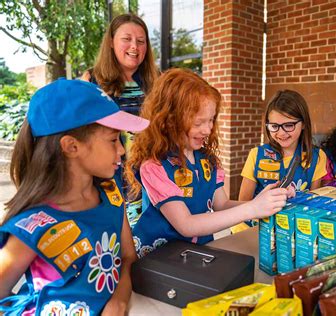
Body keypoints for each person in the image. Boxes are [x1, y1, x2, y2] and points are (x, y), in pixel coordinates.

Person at [0, 79, 150, 315]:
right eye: (113, 140)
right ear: (71, 147)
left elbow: (128, 256)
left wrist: (119, 301)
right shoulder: (33, 225)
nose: (122, 149)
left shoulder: (112, 195)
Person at [125, 68, 292, 258]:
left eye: (211, 120)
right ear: (169, 121)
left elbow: (222, 204)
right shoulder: (154, 167)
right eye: (198, 123)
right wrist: (252, 209)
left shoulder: (206, 159)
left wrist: (264, 202)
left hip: (197, 255)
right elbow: (187, 225)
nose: (207, 129)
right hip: (160, 262)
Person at [81, 13, 159, 226]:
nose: (135, 46)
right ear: (111, 42)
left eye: (141, 41)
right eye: (127, 39)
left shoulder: (157, 82)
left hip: (150, 179)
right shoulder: (91, 80)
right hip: (108, 178)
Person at [235, 90, 328, 232]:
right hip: (253, 229)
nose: (281, 133)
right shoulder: (256, 154)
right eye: (274, 126)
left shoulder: (317, 157)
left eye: (289, 125)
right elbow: (243, 203)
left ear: (303, 124)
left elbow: (312, 205)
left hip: (293, 231)